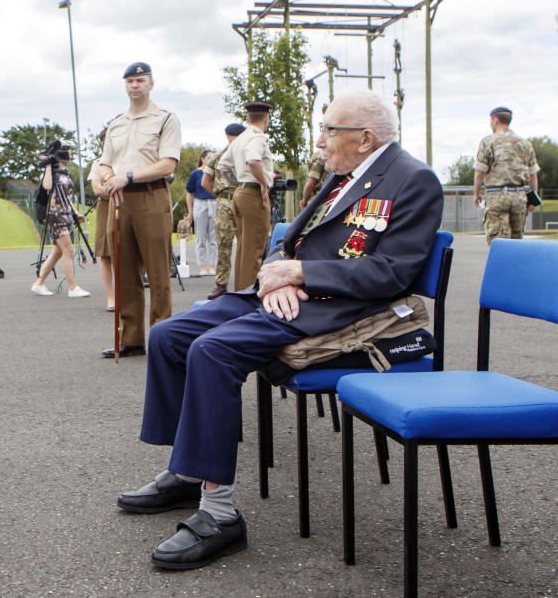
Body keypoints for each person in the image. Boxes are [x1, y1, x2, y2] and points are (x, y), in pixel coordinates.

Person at [115, 91, 443, 570]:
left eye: (331, 129)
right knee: (169, 336)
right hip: (284, 296)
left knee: (212, 351)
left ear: (365, 137)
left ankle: (220, 514)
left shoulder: (414, 180)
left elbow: (393, 273)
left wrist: (302, 276)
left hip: (339, 312)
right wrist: (275, 274)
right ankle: (187, 471)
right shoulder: (341, 175)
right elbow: (288, 241)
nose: (321, 139)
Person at [98, 62, 181, 359]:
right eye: (130, 81)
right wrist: (110, 179)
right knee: (124, 269)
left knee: (158, 272)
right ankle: (130, 338)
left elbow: (168, 163)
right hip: (119, 201)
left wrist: (128, 177)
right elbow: (105, 162)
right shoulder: (116, 124)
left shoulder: (165, 119)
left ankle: (163, 338)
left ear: (151, 84)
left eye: (140, 80)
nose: (135, 85)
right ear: (125, 85)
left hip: (151, 195)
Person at [224, 102, 274, 292]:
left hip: (240, 193)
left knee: (243, 250)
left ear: (248, 118)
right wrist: (262, 183)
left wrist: (238, 183)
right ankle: (249, 297)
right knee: (254, 250)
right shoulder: (257, 137)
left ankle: (240, 292)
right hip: (253, 193)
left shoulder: (239, 139)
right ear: (266, 119)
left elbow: (223, 166)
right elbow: (253, 160)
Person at [473, 106, 540, 244]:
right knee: (517, 242)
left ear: (495, 120)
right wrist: (533, 200)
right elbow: (533, 175)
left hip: (497, 196)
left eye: (490, 121)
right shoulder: (525, 143)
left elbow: (480, 172)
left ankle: (500, 265)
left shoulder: (488, 142)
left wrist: (476, 193)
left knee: (498, 242)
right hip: (519, 197)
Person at [32, 146, 91, 298]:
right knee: (68, 250)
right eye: (69, 153)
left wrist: (75, 212)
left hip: (64, 214)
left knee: (58, 252)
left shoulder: (66, 174)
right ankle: (73, 287)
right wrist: (47, 167)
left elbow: (67, 197)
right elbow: (46, 187)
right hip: (55, 215)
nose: (70, 155)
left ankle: (39, 284)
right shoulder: (53, 172)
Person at [202, 123, 245, 299]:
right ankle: (221, 284)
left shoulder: (245, 156)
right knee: (223, 244)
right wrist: (220, 196)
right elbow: (205, 181)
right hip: (227, 201)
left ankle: (246, 282)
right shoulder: (218, 157)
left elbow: (205, 181)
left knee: (245, 244)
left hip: (241, 200)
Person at [88, 128, 115, 311]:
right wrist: (118, 188)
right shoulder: (98, 163)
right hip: (106, 208)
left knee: (126, 254)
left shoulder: (125, 162)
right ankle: (111, 299)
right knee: (105, 255)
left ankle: (126, 295)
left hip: (126, 207)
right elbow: (97, 189)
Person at [184, 150, 218, 276]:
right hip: (200, 204)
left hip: (214, 203)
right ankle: (202, 266)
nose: (211, 160)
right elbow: (189, 192)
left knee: (214, 238)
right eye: (209, 157)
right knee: (201, 238)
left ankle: (213, 265)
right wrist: (190, 212)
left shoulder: (216, 173)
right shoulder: (196, 173)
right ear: (203, 159)